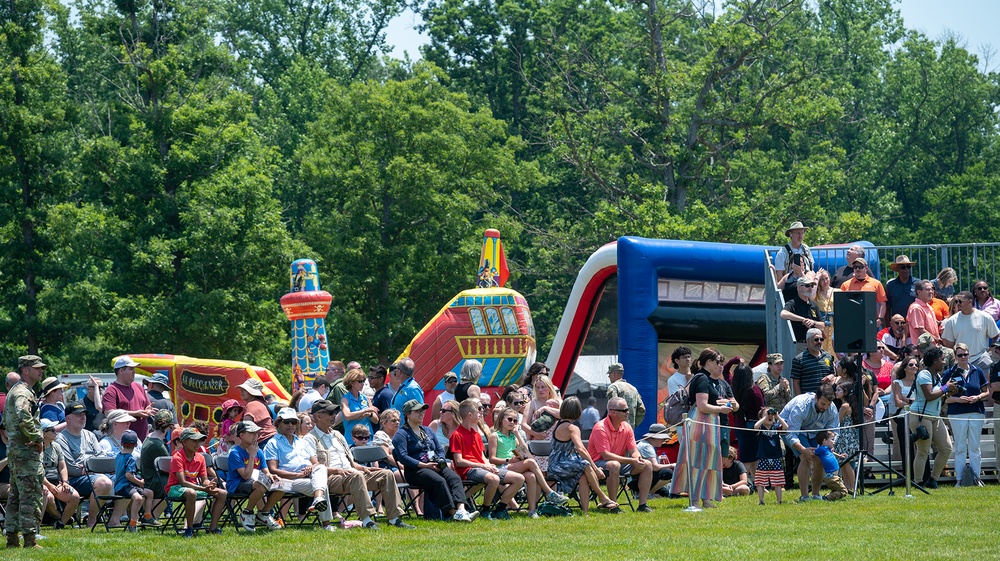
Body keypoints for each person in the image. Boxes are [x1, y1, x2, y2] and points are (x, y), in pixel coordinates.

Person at [304, 399, 414, 529]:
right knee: (357, 476)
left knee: (387, 474)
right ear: (318, 416)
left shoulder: (337, 435)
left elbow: (350, 462)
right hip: (331, 477)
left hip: (351, 474)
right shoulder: (310, 438)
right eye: (330, 412)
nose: (334, 415)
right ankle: (367, 520)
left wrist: (364, 468)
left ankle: (394, 518)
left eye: (334, 412)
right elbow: (316, 467)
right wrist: (338, 471)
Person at [392, 399, 477, 522]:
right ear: (408, 414)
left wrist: (440, 460)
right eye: (417, 411)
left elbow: (439, 449)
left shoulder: (427, 430)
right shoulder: (402, 434)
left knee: (454, 478)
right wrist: (424, 465)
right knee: (439, 481)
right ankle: (453, 513)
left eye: (422, 411)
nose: (422, 413)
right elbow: (403, 457)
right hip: (415, 471)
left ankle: (462, 510)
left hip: (435, 465)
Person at [669, 348, 732, 509]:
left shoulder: (705, 378)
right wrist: (721, 409)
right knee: (698, 462)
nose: (720, 365)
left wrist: (719, 404)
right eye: (717, 361)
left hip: (709, 424)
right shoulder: (702, 378)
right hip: (700, 424)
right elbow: (702, 406)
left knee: (710, 461)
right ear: (708, 362)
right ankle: (696, 500)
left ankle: (706, 499)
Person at [487, 404, 568, 517]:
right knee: (530, 462)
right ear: (501, 419)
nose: (512, 422)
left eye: (515, 421)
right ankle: (549, 492)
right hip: (502, 467)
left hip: (513, 466)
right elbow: (492, 459)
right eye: (510, 419)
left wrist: (517, 434)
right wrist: (508, 460)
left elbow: (525, 451)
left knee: (531, 476)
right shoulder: (495, 436)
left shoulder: (513, 437)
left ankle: (532, 511)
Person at [450, 398, 524, 520]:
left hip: (481, 468)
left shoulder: (475, 434)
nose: (480, 414)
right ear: (469, 415)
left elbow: (483, 456)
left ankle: (500, 509)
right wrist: (483, 466)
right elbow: (459, 461)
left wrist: (490, 465)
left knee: (519, 478)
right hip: (468, 470)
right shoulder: (457, 435)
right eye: (477, 412)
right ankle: (485, 510)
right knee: (494, 479)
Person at [4, 355, 48, 549]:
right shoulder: (23, 393)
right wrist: (38, 438)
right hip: (26, 451)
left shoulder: (16, 390)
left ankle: (12, 539)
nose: (41, 371)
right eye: (37, 368)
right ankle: (30, 540)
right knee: (30, 495)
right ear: (25, 370)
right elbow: (23, 417)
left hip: (16, 450)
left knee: (15, 497)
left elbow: (5, 423)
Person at [263, 408, 333, 529]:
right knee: (321, 486)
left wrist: (311, 468)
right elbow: (273, 470)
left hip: (308, 478)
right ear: (278, 423)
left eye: (293, 422)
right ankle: (326, 523)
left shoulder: (302, 442)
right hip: (288, 480)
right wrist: (298, 475)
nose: (290, 425)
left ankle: (318, 498)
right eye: (286, 421)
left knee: (320, 468)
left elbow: (315, 463)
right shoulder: (273, 443)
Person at [548, 397, 618, 515]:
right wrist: (595, 469)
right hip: (559, 466)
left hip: (555, 464)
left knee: (584, 477)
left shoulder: (559, 424)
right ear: (577, 412)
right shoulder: (572, 428)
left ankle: (585, 512)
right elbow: (581, 449)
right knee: (585, 465)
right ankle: (602, 497)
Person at [941, 343, 989, 486]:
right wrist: (958, 399)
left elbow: (986, 391)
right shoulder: (949, 373)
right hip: (957, 413)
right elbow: (944, 397)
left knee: (975, 446)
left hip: (976, 411)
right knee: (960, 446)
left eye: (965, 354)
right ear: (955, 357)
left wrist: (978, 397)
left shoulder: (977, 370)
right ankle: (960, 479)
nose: (963, 357)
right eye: (960, 355)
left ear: (969, 355)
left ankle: (976, 478)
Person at [780, 384, 839, 501]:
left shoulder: (831, 408)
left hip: (814, 432)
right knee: (806, 457)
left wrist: (830, 444)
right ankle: (804, 496)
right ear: (816, 398)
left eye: (828, 405)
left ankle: (816, 495)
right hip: (793, 430)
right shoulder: (801, 406)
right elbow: (791, 433)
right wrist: (803, 450)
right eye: (823, 404)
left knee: (820, 458)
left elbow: (834, 430)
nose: (825, 407)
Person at [165, 427, 227, 537]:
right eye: (194, 441)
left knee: (222, 493)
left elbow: (204, 481)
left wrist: (209, 485)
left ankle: (213, 528)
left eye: (199, 441)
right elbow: (183, 482)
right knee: (191, 493)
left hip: (194, 487)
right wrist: (204, 488)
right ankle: (189, 529)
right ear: (184, 442)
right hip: (175, 488)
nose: (197, 444)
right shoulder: (177, 457)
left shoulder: (200, 458)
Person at [226, 420, 283, 532]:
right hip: (236, 484)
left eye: (256, 433)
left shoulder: (259, 451)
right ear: (242, 435)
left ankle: (263, 514)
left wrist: (272, 476)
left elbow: (265, 471)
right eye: (252, 433)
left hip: (255, 482)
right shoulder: (235, 452)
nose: (255, 436)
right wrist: (251, 456)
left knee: (281, 486)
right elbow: (246, 476)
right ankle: (247, 513)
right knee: (260, 485)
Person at [911, 347, 954, 488]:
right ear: (935, 361)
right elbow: (929, 396)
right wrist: (945, 389)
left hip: (935, 416)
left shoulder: (938, 376)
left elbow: (938, 399)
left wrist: (948, 393)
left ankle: (932, 479)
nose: (944, 362)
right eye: (942, 359)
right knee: (923, 451)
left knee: (946, 448)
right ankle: (918, 482)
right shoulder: (924, 374)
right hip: (921, 416)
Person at [942, 291, 999, 374]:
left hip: (981, 359)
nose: (958, 304)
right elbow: (949, 345)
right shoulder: (951, 321)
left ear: (970, 301)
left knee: (985, 386)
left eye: (960, 301)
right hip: (961, 361)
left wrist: (990, 350)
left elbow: (995, 335)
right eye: (956, 301)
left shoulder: (985, 317)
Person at [39, 419, 80, 530]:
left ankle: (61, 523)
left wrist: (65, 482)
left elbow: (62, 467)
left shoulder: (56, 446)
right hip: (42, 482)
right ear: (43, 433)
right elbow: (38, 471)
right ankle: (57, 515)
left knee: (75, 497)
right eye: (52, 430)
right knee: (48, 497)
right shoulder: (37, 448)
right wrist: (49, 485)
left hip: (56, 481)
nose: (55, 432)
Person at [113, 430, 158, 531]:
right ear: (137, 444)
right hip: (124, 487)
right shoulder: (130, 458)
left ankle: (147, 516)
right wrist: (140, 482)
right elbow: (128, 475)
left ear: (121, 443)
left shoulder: (118, 456)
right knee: (138, 498)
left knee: (149, 493)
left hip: (123, 486)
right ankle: (133, 523)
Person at [102, 356, 155, 441]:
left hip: (142, 440)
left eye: (134, 369)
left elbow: (146, 407)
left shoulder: (138, 387)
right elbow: (109, 413)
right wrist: (135, 413)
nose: (134, 372)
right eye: (131, 369)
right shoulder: (111, 390)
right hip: (122, 443)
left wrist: (148, 410)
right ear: (121, 371)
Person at [731, 363, 764, 479]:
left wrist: (734, 361)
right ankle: (741, 482)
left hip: (739, 427)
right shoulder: (754, 390)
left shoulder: (733, 390)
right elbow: (761, 410)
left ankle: (758, 482)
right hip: (752, 428)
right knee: (749, 459)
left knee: (752, 458)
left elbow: (725, 371)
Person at [890, 357, 918, 475]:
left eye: (916, 365)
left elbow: (921, 400)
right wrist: (912, 402)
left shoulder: (919, 382)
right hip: (902, 418)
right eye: (911, 365)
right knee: (905, 447)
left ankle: (919, 475)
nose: (914, 367)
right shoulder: (898, 382)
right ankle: (908, 476)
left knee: (919, 448)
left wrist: (905, 400)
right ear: (905, 367)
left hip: (917, 417)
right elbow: (898, 402)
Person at [839, 257, 887, 325]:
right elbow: (841, 304)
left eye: (860, 267)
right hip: (851, 320)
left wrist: (880, 318)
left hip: (870, 320)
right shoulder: (845, 285)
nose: (857, 269)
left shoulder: (876, 283)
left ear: (866, 268)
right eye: (855, 267)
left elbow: (882, 303)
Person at [780, 277, 823, 355]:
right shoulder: (792, 303)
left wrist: (813, 322)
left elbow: (822, 325)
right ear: (799, 287)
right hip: (800, 345)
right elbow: (783, 314)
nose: (810, 288)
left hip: (815, 344)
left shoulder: (813, 305)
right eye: (807, 286)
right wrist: (803, 319)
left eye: (812, 286)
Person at [753, 407, 787, 505]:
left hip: (775, 457)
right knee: (760, 480)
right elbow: (755, 426)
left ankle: (779, 500)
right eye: (767, 414)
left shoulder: (776, 427)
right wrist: (764, 417)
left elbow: (786, 427)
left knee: (778, 480)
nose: (770, 416)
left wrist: (777, 416)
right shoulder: (761, 427)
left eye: (771, 415)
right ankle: (761, 501)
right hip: (763, 457)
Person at [790, 328, 835, 396]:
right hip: (808, 399)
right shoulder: (799, 359)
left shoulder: (828, 356)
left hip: (825, 398)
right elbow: (796, 382)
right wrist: (800, 399)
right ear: (808, 341)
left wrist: (831, 376)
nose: (819, 342)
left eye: (821, 339)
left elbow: (833, 373)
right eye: (816, 339)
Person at [340, 368, 379, 446]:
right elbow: (347, 416)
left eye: (363, 381)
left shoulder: (366, 398)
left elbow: (376, 420)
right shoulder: (345, 399)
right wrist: (365, 411)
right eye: (360, 381)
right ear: (351, 382)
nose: (363, 384)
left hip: (368, 440)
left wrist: (369, 414)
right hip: (352, 441)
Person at [605, 363, 646, 428]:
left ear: (614, 374)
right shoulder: (633, 388)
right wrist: (633, 424)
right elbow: (642, 409)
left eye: (609, 374)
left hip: (617, 429)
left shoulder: (613, 387)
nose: (609, 376)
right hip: (630, 430)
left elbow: (613, 409)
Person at [237, 378, 277, 445]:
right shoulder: (260, 403)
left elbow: (246, 427)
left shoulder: (252, 404)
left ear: (252, 392)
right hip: (270, 440)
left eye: (244, 390)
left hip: (263, 441)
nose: (241, 392)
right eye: (241, 390)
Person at [813, 430, 849, 501]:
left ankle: (830, 497)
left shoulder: (827, 449)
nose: (834, 441)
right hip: (831, 477)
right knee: (843, 491)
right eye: (832, 439)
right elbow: (814, 452)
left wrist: (840, 456)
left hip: (834, 476)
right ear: (824, 441)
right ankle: (825, 498)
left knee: (836, 489)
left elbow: (832, 452)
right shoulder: (821, 449)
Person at [886, 255, 920, 324]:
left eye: (908, 267)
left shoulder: (918, 283)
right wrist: (887, 324)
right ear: (897, 269)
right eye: (903, 267)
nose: (906, 269)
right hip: (897, 323)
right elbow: (887, 307)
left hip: (915, 321)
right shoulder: (890, 285)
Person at [907, 280, 941, 348]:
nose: (931, 292)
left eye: (932, 289)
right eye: (928, 289)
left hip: (932, 346)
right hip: (923, 348)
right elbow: (920, 330)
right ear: (919, 292)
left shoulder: (928, 306)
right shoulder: (916, 308)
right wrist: (936, 339)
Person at [813, 268, 838, 355]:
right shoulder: (816, 294)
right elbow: (810, 298)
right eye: (822, 280)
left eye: (826, 278)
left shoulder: (837, 291)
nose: (825, 281)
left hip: (835, 325)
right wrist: (816, 277)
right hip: (822, 326)